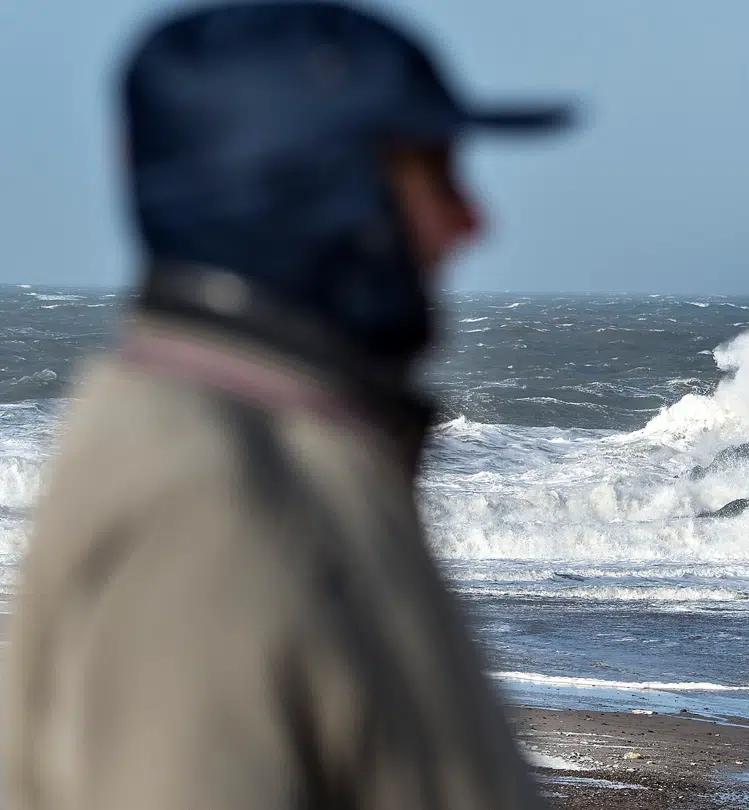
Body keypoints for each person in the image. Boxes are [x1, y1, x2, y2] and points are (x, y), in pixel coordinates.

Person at [5, 3, 570, 808]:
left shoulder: (285, 457)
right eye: (433, 174)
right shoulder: (205, 500)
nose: (469, 222)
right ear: (311, 193)